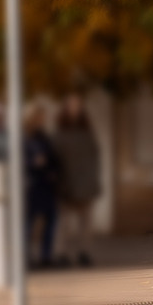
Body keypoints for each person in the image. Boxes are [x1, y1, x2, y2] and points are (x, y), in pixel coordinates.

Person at [54, 96, 102, 266]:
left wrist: (93, 181)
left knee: (86, 223)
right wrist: (60, 182)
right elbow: (55, 160)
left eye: (78, 106)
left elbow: (94, 158)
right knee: (63, 223)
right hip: (65, 184)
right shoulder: (60, 134)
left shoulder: (87, 134)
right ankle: (61, 253)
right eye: (72, 106)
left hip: (85, 184)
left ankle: (84, 252)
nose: (75, 110)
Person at [24, 109, 62, 270]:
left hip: (47, 185)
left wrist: (53, 171)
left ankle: (46, 256)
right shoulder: (25, 138)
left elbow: (54, 159)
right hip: (32, 186)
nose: (41, 121)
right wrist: (33, 163)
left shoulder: (45, 137)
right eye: (39, 118)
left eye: (43, 118)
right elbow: (19, 161)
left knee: (51, 221)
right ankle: (25, 257)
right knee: (28, 223)